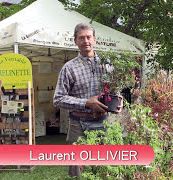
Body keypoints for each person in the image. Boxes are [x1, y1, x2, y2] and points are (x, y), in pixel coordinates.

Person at [53, 23, 123, 177]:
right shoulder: (69, 68)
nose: (86, 41)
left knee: (104, 168)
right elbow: (58, 99)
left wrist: (119, 100)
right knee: (78, 171)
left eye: (88, 37)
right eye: (81, 38)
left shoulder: (107, 65)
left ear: (94, 39)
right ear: (75, 41)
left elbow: (114, 90)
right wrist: (85, 102)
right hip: (78, 124)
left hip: (103, 122)